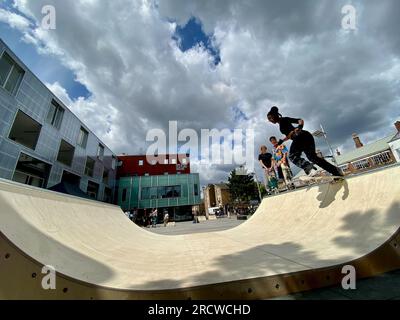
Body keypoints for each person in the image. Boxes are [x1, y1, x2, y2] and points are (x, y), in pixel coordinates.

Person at [267, 106, 343, 177]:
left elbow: (300, 120)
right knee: (313, 158)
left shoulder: (284, 119)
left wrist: (299, 127)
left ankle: (309, 168)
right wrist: (282, 141)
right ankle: (336, 171)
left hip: (301, 136)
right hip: (305, 137)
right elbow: (290, 135)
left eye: (270, 118)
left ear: (274, 116)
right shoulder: (280, 125)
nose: (270, 120)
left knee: (292, 156)